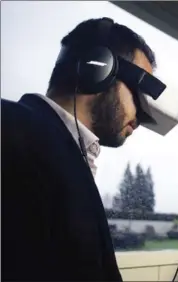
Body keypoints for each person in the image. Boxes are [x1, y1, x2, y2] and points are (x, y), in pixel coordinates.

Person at [2, 17, 164, 281]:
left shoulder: (67, 154)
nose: (141, 117)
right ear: (99, 69)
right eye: (139, 95)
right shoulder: (9, 129)